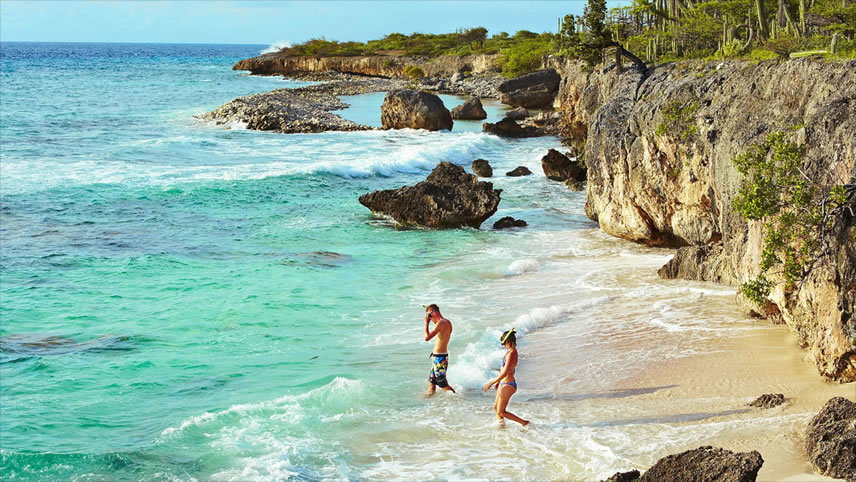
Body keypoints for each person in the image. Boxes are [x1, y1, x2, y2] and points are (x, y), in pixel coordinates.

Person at [483, 328, 529, 427]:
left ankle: (525, 423)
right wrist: (498, 382)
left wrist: (491, 382)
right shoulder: (509, 351)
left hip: (508, 385)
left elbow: (506, 372)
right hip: (503, 383)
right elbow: (506, 369)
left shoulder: (512, 353)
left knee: (501, 412)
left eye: (504, 343)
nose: (503, 345)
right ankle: (501, 427)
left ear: (508, 341)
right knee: (496, 408)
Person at [424, 303, 456, 396]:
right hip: (438, 357)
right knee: (432, 381)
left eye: (430, 316)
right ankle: (428, 402)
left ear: (433, 312)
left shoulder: (441, 323)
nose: (430, 318)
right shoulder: (447, 322)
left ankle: (457, 399)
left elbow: (426, 338)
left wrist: (426, 323)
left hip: (440, 358)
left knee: (442, 383)